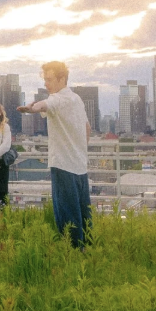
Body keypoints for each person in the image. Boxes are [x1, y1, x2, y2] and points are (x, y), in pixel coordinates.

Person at [17, 61, 92, 249]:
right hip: (80, 165)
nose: (46, 84)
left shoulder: (58, 99)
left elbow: (43, 105)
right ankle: (89, 251)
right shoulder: (77, 99)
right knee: (84, 212)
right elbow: (87, 128)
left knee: (67, 213)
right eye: (45, 80)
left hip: (63, 165)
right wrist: (80, 151)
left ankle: (73, 254)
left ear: (62, 79)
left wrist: (30, 108)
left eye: (49, 79)